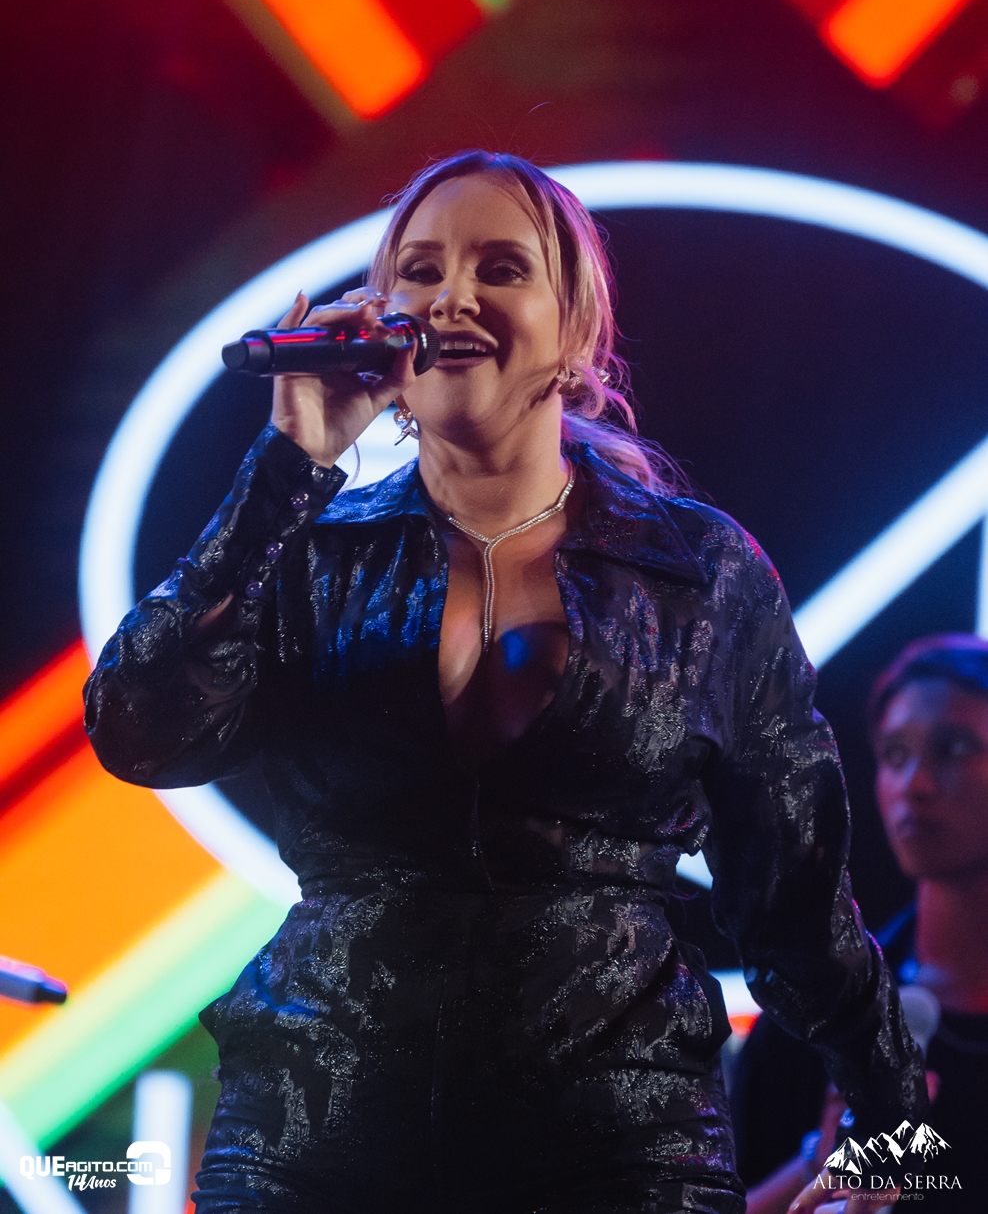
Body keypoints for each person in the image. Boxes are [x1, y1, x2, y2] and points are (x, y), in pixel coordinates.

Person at [84, 151, 925, 1214]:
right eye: (422, 271)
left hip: (617, 1148)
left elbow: (794, 891)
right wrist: (286, 469)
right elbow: (140, 731)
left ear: (575, 328)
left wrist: (899, 1138)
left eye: (500, 268)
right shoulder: (308, 550)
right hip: (317, 1138)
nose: (452, 297)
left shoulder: (699, 572)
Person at [731, 633, 988, 1213]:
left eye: (952, 748)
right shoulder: (817, 1009)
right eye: (894, 755)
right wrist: (818, 1165)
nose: (913, 785)